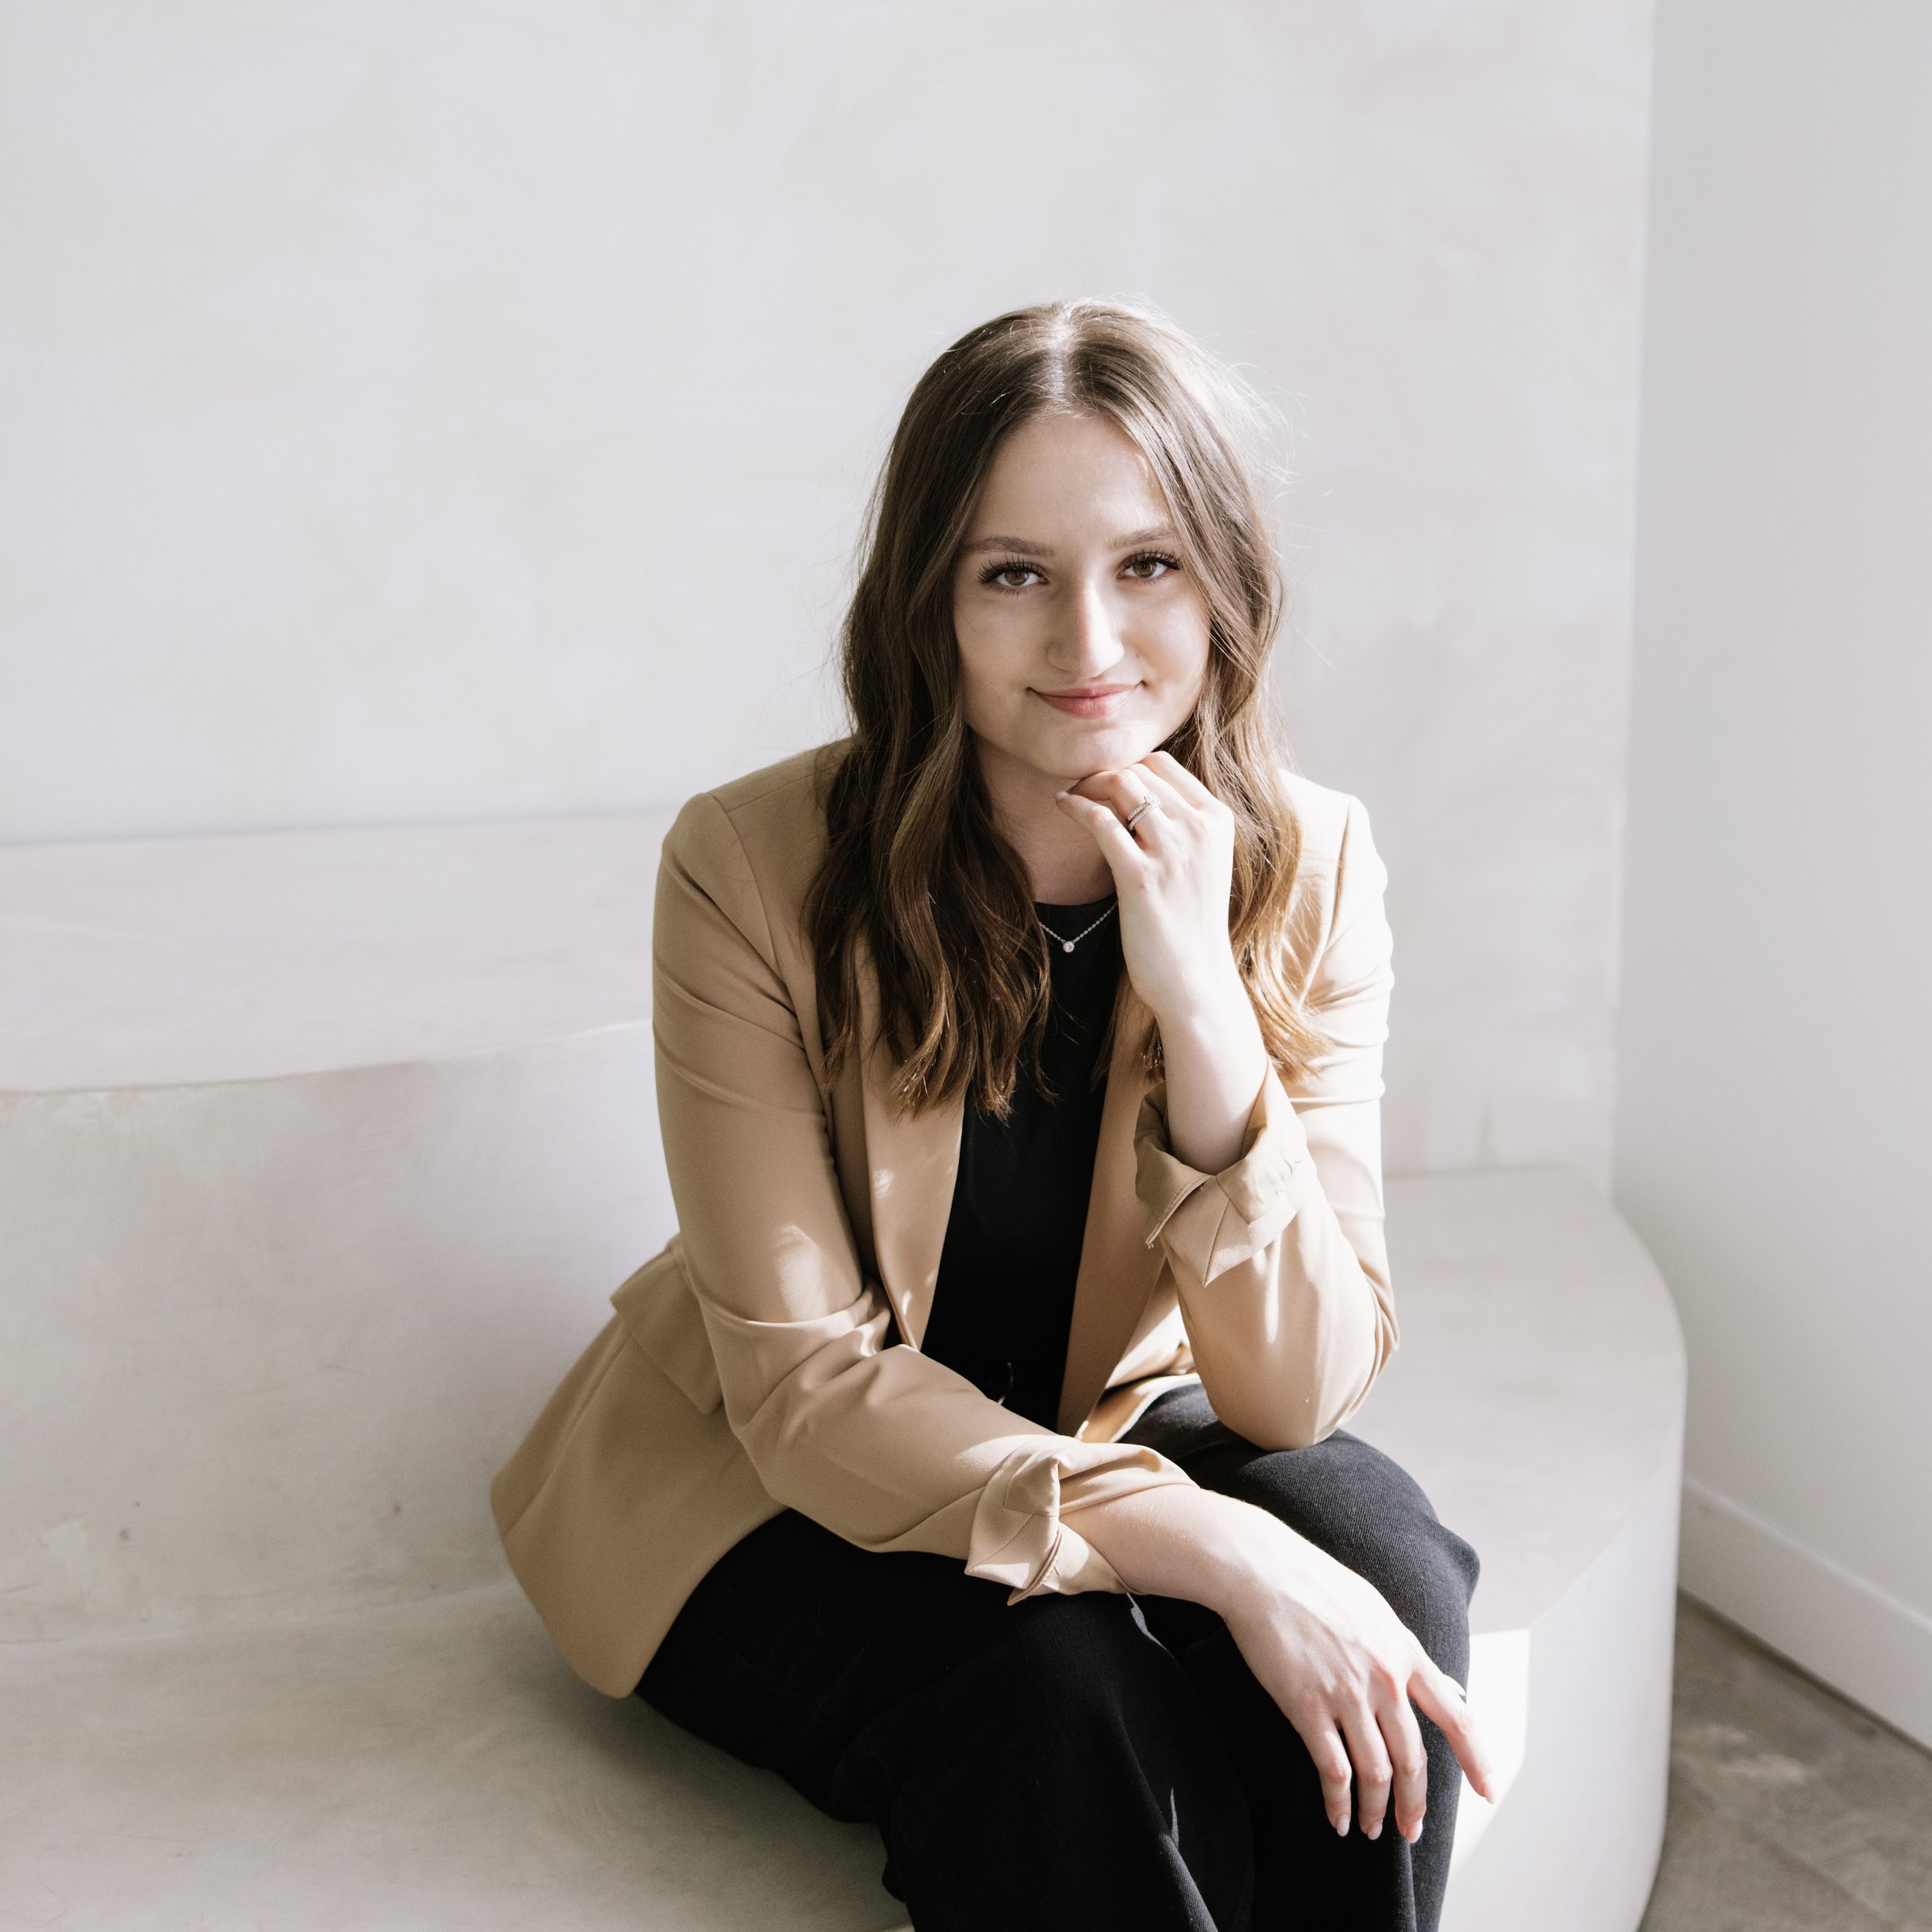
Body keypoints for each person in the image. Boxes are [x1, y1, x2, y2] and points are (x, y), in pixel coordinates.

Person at [492, 299, 1492, 1932]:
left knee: (1384, 1562)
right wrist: (1213, 1552)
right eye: (1012, 572)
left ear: (1224, 584)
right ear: (930, 604)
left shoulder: (1310, 860)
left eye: (1148, 565)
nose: (1087, 644)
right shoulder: (751, 864)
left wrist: (1201, 1003)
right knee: (1059, 1686)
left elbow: (1291, 1385)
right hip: (767, 1483)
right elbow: (809, 1390)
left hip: (1100, 1413)